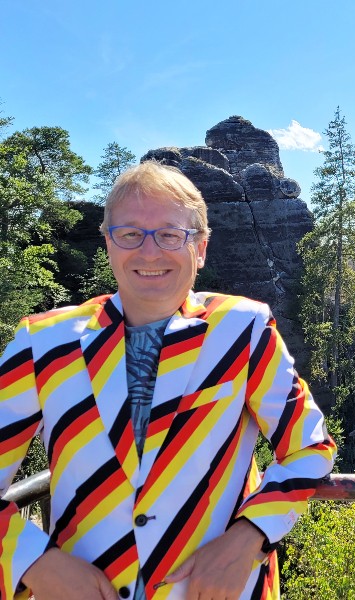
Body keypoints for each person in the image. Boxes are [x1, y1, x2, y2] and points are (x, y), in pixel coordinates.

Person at [0, 161, 337, 600]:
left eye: (170, 234)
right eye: (130, 233)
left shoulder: (243, 329)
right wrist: (35, 563)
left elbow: (309, 447)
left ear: (200, 248)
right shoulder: (42, 340)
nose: (150, 251)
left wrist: (249, 537)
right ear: (108, 243)